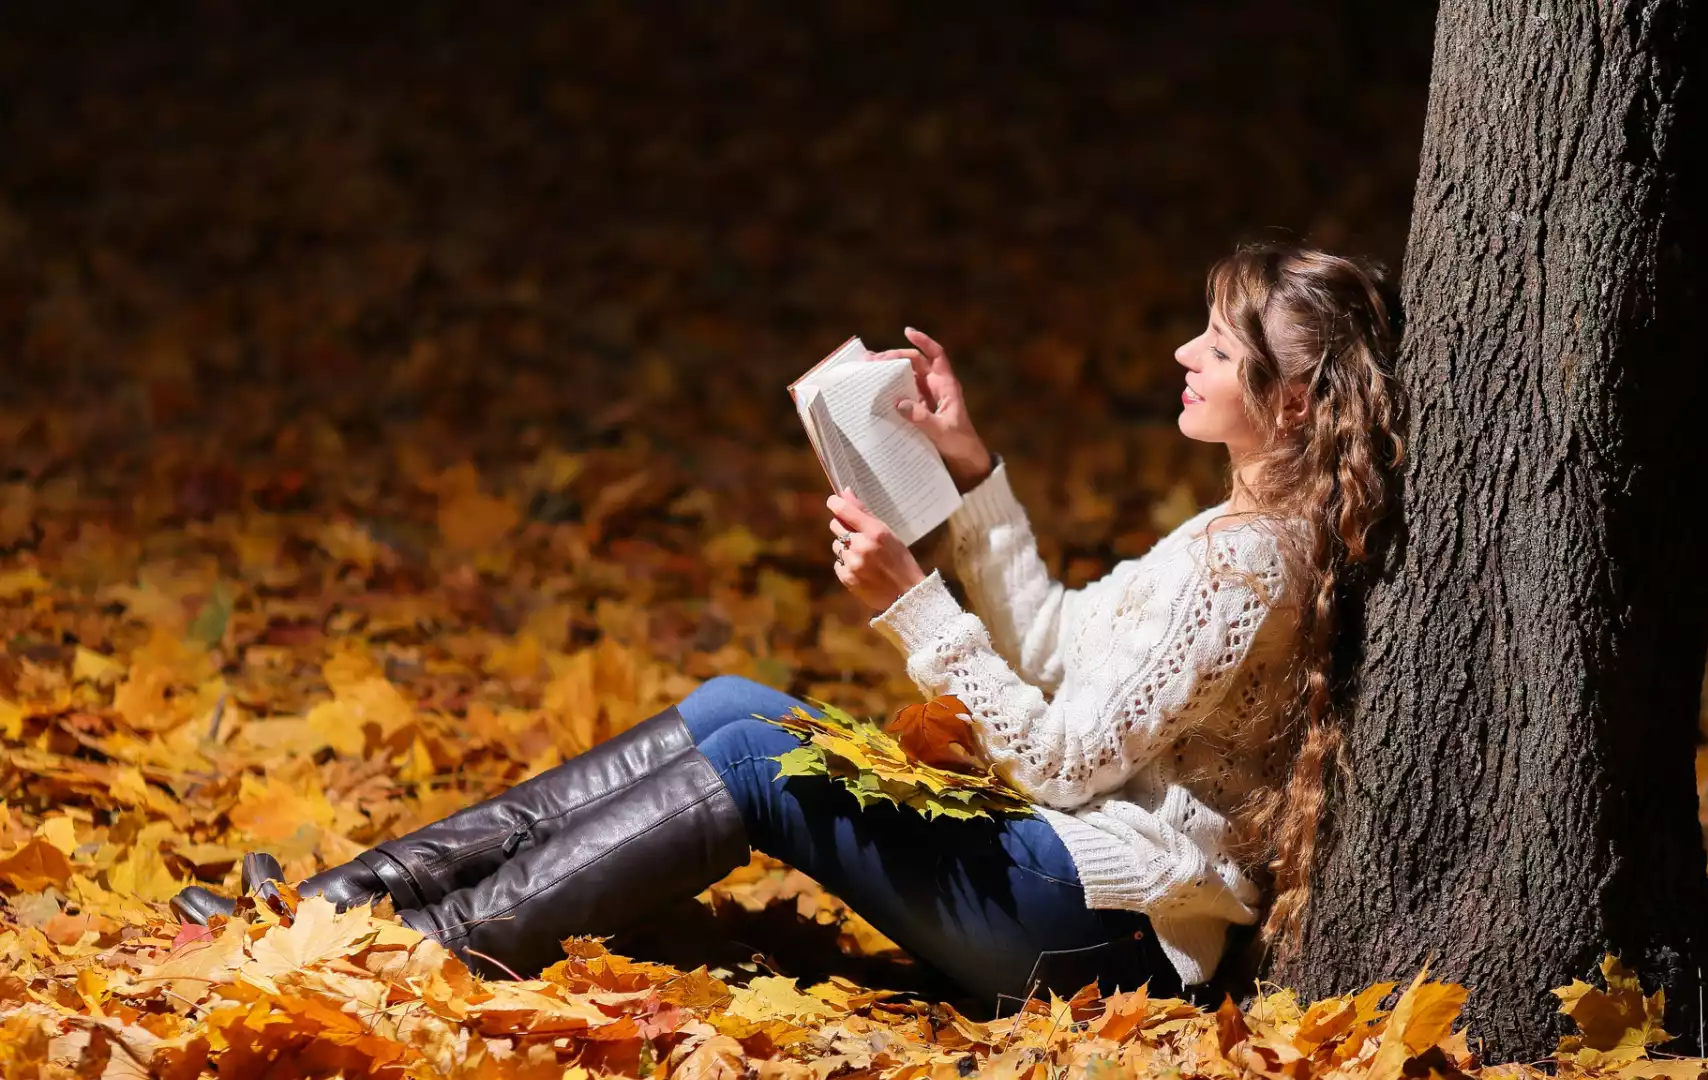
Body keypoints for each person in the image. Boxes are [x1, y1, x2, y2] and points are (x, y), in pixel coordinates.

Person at [172, 239, 1407, 1008]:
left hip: (1100, 931)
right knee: (728, 705)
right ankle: (338, 914)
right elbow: (1067, 651)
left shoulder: (1247, 561)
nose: (1185, 350)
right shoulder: (1237, 533)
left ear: (1290, 405)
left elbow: (1065, 759)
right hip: (1061, 878)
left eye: (1220, 342)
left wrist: (912, 607)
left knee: (756, 757)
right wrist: (973, 480)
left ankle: (396, 953)